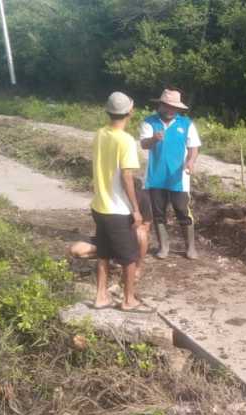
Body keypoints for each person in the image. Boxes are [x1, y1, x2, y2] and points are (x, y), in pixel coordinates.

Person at [89, 91, 150, 312]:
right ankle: (128, 299)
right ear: (130, 112)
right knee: (129, 257)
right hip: (117, 209)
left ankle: (101, 296)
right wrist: (135, 208)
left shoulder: (100, 134)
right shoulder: (125, 141)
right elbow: (126, 177)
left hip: (99, 206)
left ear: (108, 111)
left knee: (103, 253)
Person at [139, 88, 201, 260]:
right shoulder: (149, 122)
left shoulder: (186, 124)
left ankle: (190, 247)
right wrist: (154, 139)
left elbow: (193, 147)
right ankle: (164, 247)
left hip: (179, 178)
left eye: (174, 107)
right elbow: (144, 144)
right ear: (161, 105)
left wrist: (190, 161)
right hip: (156, 177)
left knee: (182, 210)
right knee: (158, 213)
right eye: (167, 106)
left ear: (179, 108)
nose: (170, 110)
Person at [70, 177, 152, 279]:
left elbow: (146, 226)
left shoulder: (142, 199)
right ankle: (111, 257)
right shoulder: (109, 200)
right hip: (108, 239)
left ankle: (137, 267)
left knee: (142, 234)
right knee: (75, 249)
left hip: (128, 238)